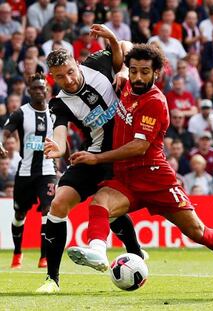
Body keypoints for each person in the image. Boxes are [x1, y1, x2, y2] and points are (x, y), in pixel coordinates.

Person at [65, 43, 213, 279]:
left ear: (156, 73)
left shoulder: (155, 101)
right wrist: (120, 66)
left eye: (144, 71)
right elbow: (125, 46)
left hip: (156, 177)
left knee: (197, 231)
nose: (138, 77)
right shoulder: (126, 87)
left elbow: (139, 147)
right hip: (127, 177)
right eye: (133, 70)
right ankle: (98, 252)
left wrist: (97, 158)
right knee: (100, 203)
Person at [36, 25, 144, 294]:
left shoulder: (97, 62)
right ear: (53, 78)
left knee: (109, 209)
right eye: (61, 77)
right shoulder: (59, 103)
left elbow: (128, 46)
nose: (69, 80)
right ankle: (52, 279)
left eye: (71, 72)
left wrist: (120, 66)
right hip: (91, 154)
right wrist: (57, 148)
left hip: (119, 153)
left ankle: (136, 254)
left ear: (77, 64)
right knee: (58, 205)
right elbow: (60, 135)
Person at [0, 73, 56, 269]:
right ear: (29, 91)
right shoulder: (21, 113)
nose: (40, 91)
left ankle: (44, 257)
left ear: (47, 90)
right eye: (36, 88)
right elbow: (6, 131)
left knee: (48, 210)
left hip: (48, 170)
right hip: (25, 173)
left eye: (43, 88)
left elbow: (62, 138)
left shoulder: (55, 113)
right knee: (19, 215)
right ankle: (17, 253)